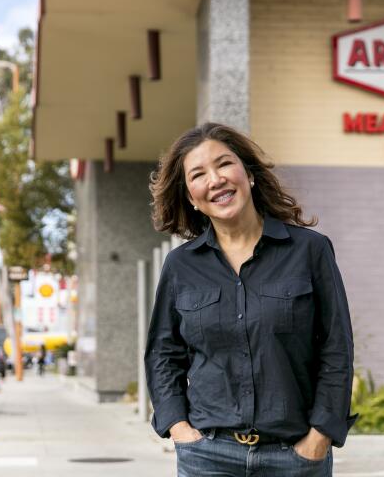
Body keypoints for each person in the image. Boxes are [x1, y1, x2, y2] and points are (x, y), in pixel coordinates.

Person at [145, 123, 356, 477]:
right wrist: (179, 428)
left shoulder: (309, 251)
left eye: (224, 164)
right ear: (191, 198)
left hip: (295, 457)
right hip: (207, 457)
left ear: (249, 175)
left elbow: (337, 348)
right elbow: (163, 355)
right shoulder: (181, 266)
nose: (216, 179)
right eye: (199, 174)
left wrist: (321, 435)